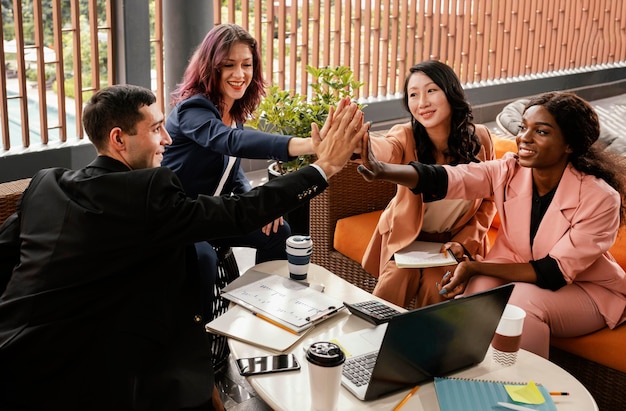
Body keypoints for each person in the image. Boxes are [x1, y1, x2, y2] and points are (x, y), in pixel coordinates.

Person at [0, 84, 367, 410]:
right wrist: (326, 166)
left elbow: (5, 257)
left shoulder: (45, 184)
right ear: (118, 139)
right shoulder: (145, 192)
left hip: (14, 357)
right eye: (157, 129)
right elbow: (240, 214)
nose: (168, 139)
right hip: (88, 380)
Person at [358, 91, 626, 358]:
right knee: (479, 291)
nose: (524, 138)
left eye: (541, 132)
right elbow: (449, 177)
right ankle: (457, 369)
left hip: (586, 291)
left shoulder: (601, 198)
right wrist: (382, 170)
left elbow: (554, 271)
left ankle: (524, 390)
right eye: (523, 127)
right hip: (523, 274)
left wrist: (474, 266)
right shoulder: (510, 169)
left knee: (518, 304)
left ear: (570, 144)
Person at [162, 24, 310, 318]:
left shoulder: (232, 112)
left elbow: (233, 172)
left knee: (277, 231)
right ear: (210, 68)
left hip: (214, 215)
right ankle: (200, 340)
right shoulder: (193, 109)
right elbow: (230, 141)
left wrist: (257, 204)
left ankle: (263, 310)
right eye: (228, 65)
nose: (239, 74)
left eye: (247, 64)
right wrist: (303, 144)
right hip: (181, 218)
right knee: (201, 258)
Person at [361, 60, 496, 308]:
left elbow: (490, 200)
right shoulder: (404, 135)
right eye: (413, 95)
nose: (421, 102)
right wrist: (364, 145)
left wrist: (465, 243)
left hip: (452, 243)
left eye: (431, 90)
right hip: (408, 240)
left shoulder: (481, 138)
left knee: (440, 289)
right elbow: (385, 148)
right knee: (388, 291)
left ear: (451, 91)